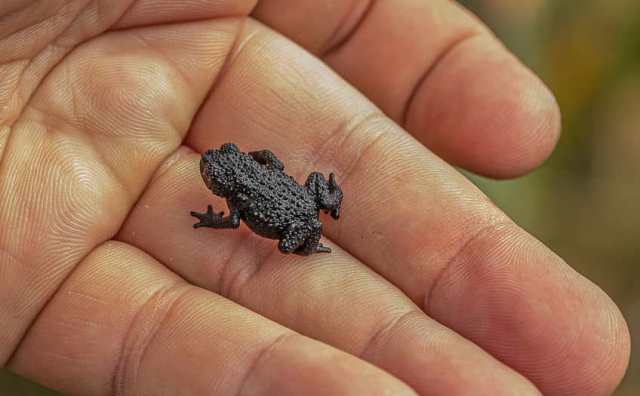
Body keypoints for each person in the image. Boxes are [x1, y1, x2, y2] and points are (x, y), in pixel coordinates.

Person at [0, 1, 630, 395]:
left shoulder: (243, 195)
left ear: (227, 176)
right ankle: (325, 202)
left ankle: (318, 216)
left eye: (216, 176)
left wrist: (221, 215)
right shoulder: (251, 179)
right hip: (299, 209)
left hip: (296, 227)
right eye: (217, 176)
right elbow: (257, 185)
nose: (215, 175)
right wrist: (251, 200)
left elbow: (234, 221)